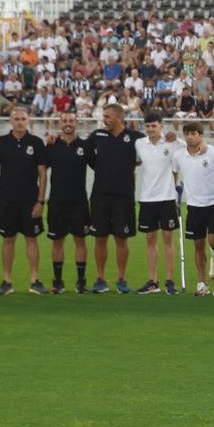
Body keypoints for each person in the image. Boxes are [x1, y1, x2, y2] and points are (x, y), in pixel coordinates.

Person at [0, 107, 49, 296]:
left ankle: (34, 280)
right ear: (10, 121)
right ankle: (6, 281)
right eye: (17, 119)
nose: (20, 122)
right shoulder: (0, 143)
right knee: (8, 239)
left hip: (30, 200)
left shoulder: (36, 143)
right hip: (6, 200)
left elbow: (43, 174)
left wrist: (40, 202)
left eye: (23, 118)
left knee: (32, 239)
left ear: (28, 121)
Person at [85, 102, 142, 294]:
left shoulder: (135, 138)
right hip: (100, 195)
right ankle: (100, 278)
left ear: (119, 117)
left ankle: (121, 279)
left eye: (107, 116)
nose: (104, 120)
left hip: (124, 197)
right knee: (99, 238)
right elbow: (87, 155)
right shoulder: (97, 136)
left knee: (121, 238)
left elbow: (148, 153)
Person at [174, 122, 214, 297]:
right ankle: (202, 283)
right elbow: (174, 172)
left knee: (213, 240)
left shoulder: (212, 152)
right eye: (187, 134)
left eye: (193, 134)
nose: (190, 137)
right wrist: (174, 189)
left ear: (200, 135)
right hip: (194, 205)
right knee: (198, 245)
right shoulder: (179, 155)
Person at [133, 112, 181, 295]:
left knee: (168, 239)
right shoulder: (139, 144)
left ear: (161, 126)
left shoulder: (172, 142)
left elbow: (190, 146)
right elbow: (136, 162)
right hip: (147, 198)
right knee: (150, 239)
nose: (151, 129)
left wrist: (176, 136)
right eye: (148, 126)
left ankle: (170, 281)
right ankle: (153, 281)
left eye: (154, 126)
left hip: (167, 198)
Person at [43, 110, 91, 293]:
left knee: (80, 241)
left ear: (76, 123)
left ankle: (81, 282)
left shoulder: (85, 146)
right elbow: (40, 169)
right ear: (60, 123)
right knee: (57, 242)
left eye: (72, 120)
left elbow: (99, 165)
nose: (68, 123)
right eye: (65, 121)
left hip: (79, 202)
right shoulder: (52, 145)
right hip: (57, 202)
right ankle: (58, 282)